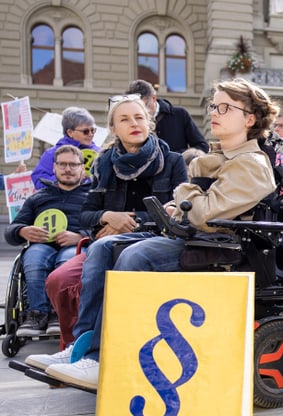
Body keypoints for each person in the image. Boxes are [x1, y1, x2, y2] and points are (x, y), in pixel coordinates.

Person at [23, 95, 188, 358]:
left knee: (103, 251)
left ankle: (89, 351)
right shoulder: (103, 162)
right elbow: (86, 214)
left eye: (139, 117)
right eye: (124, 119)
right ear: (113, 128)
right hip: (106, 239)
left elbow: (176, 211)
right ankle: (72, 349)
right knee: (57, 281)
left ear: (149, 123)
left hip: (150, 238)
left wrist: (128, 220)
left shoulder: (173, 161)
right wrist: (109, 216)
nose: (134, 123)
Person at [5, 145, 90, 336]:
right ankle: (36, 314)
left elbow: (102, 228)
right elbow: (10, 231)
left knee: (66, 262)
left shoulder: (92, 197)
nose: (67, 169)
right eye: (62, 164)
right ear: (54, 168)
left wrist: (80, 236)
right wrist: (23, 230)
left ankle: (58, 314)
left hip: (76, 244)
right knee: (34, 259)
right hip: (42, 244)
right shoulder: (38, 198)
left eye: (73, 164)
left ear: (82, 168)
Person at [126, 79, 209, 153]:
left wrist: (176, 159)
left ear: (154, 98)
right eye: (136, 107)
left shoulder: (180, 115)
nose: (141, 112)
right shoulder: (130, 122)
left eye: (144, 106)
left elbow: (202, 147)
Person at [30, 107, 101, 189]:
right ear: (70, 132)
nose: (90, 134)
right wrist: (67, 179)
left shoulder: (99, 153)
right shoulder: (52, 154)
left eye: (93, 130)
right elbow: (39, 182)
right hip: (60, 200)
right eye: (85, 131)